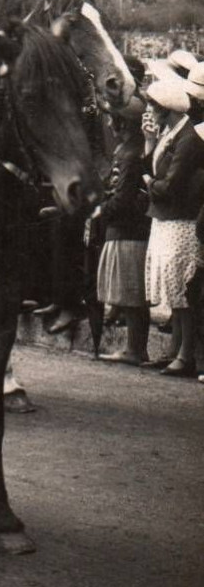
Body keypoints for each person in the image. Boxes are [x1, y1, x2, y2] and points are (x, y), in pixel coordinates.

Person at [141, 56, 204, 377]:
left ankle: (184, 353)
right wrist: (150, 143)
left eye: (154, 107)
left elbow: (172, 182)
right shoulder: (173, 134)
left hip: (180, 219)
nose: (149, 113)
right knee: (172, 287)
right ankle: (175, 349)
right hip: (165, 218)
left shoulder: (190, 138)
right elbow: (153, 167)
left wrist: (152, 185)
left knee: (181, 288)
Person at [94, 97, 153, 365]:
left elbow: (123, 198)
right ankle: (134, 347)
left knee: (131, 293)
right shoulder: (126, 151)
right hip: (123, 229)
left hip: (128, 230)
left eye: (113, 118)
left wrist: (100, 211)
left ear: (123, 124)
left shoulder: (130, 154)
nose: (109, 122)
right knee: (129, 293)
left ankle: (135, 348)